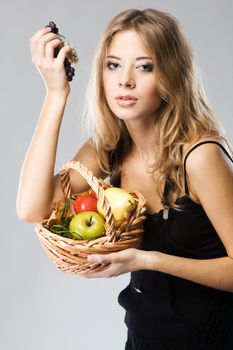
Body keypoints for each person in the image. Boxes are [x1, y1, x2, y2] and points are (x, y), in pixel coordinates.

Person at [17, 8, 233, 350]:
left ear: (170, 75)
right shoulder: (110, 147)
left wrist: (146, 260)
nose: (125, 81)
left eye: (144, 66)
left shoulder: (200, 154)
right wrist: (55, 95)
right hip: (143, 339)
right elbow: (32, 208)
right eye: (113, 64)